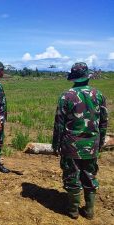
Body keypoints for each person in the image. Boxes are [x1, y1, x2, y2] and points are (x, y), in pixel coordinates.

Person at [52, 62, 108, 219]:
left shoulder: (66, 96)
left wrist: (56, 144)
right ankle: (89, 211)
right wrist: (101, 141)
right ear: (87, 76)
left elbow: (59, 124)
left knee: (72, 176)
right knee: (90, 176)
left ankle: (73, 211)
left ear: (74, 78)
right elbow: (104, 122)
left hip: (71, 145)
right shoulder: (99, 95)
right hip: (92, 144)